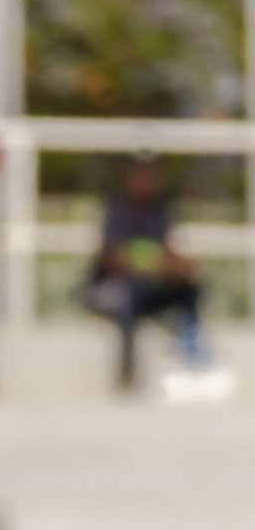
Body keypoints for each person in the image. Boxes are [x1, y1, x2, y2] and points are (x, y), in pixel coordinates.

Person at [85, 156, 203, 389]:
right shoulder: (117, 207)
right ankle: (126, 377)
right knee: (128, 296)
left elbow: (168, 250)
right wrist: (157, 263)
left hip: (147, 287)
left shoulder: (160, 209)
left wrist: (181, 267)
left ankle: (192, 356)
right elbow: (112, 257)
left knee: (189, 288)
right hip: (110, 290)